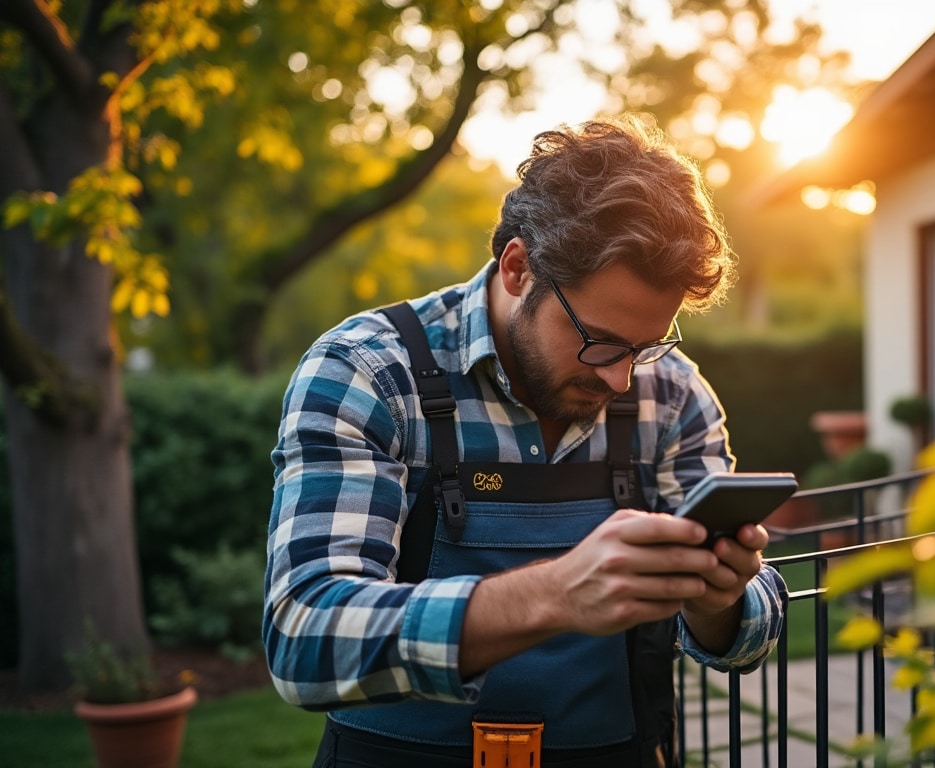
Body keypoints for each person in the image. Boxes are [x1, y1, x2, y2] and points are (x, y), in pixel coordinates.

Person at [264, 114, 787, 768]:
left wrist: (721, 600)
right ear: (517, 269)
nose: (620, 378)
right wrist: (555, 594)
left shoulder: (673, 392)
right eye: (598, 341)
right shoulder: (369, 372)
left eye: (646, 346)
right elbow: (305, 637)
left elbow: (756, 629)